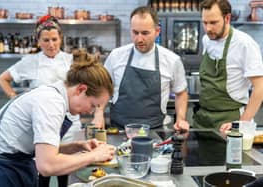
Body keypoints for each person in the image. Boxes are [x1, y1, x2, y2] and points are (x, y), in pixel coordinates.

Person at [0, 56, 115, 187]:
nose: (91, 112)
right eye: (93, 105)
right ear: (81, 90)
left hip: (11, 165)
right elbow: (47, 166)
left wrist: (77, 146)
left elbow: (44, 149)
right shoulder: (51, 102)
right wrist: (94, 156)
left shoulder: (54, 95)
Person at [0, 15, 87, 187]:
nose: (51, 44)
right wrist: (14, 98)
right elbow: (3, 79)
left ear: (61, 38)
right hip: (42, 124)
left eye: (54, 39)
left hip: (69, 124)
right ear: (38, 41)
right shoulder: (30, 61)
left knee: (68, 173)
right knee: (43, 171)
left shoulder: (71, 61)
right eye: (46, 40)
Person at [93, 6, 189, 131]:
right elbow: (103, 88)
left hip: (155, 131)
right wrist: (98, 113)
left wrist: (181, 119)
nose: (139, 39)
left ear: (157, 31)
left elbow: (181, 93)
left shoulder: (171, 60)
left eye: (145, 33)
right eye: (135, 32)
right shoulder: (116, 56)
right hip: (119, 130)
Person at [193, 0, 263, 132]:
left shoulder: (244, 44)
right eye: (205, 23)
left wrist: (241, 123)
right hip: (204, 119)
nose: (208, 28)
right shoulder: (207, 40)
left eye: (213, 23)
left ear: (227, 18)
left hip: (230, 121)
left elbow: (260, 87)